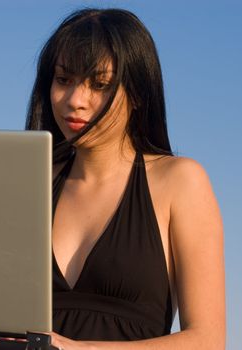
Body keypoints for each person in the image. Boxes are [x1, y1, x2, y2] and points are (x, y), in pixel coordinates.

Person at [25, 8, 225, 350]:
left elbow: (207, 341)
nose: (75, 100)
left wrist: (83, 349)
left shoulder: (179, 181)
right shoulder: (29, 183)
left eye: (99, 84)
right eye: (63, 79)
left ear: (138, 94)